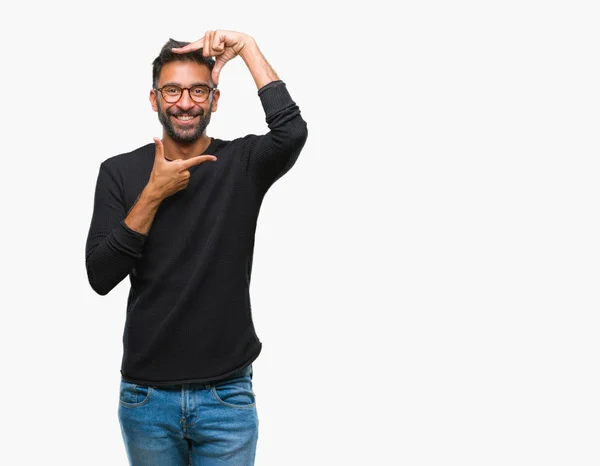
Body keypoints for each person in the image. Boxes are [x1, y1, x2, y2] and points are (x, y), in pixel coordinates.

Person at [85, 29, 308, 465]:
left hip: (227, 397)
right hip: (146, 398)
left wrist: (247, 49)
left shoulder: (241, 165)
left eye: (198, 90)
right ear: (154, 99)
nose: (185, 102)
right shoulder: (119, 172)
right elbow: (100, 276)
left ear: (215, 100)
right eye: (172, 90)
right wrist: (152, 194)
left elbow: (291, 131)